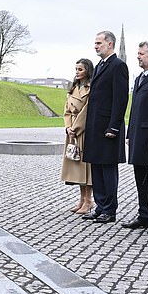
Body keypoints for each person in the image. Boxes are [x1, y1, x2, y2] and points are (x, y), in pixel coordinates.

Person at [82, 31, 129, 224]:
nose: (95, 46)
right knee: (96, 167)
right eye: (95, 43)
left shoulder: (118, 66)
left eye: (99, 43)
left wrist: (114, 127)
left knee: (108, 169)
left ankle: (110, 209)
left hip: (108, 128)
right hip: (95, 125)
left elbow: (120, 99)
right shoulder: (101, 65)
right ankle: (100, 206)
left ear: (110, 44)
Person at [122, 41, 148, 235]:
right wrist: (130, 133)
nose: (138, 56)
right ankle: (144, 215)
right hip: (138, 136)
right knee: (140, 177)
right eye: (138, 53)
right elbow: (135, 109)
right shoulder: (139, 78)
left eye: (141, 54)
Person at [61, 58, 94, 214]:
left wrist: (76, 127)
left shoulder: (91, 87)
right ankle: (81, 199)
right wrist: (68, 127)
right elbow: (66, 110)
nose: (77, 72)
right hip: (72, 132)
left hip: (84, 131)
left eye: (80, 69)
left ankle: (89, 200)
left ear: (87, 70)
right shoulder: (73, 87)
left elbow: (87, 110)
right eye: (76, 69)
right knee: (76, 168)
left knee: (86, 168)